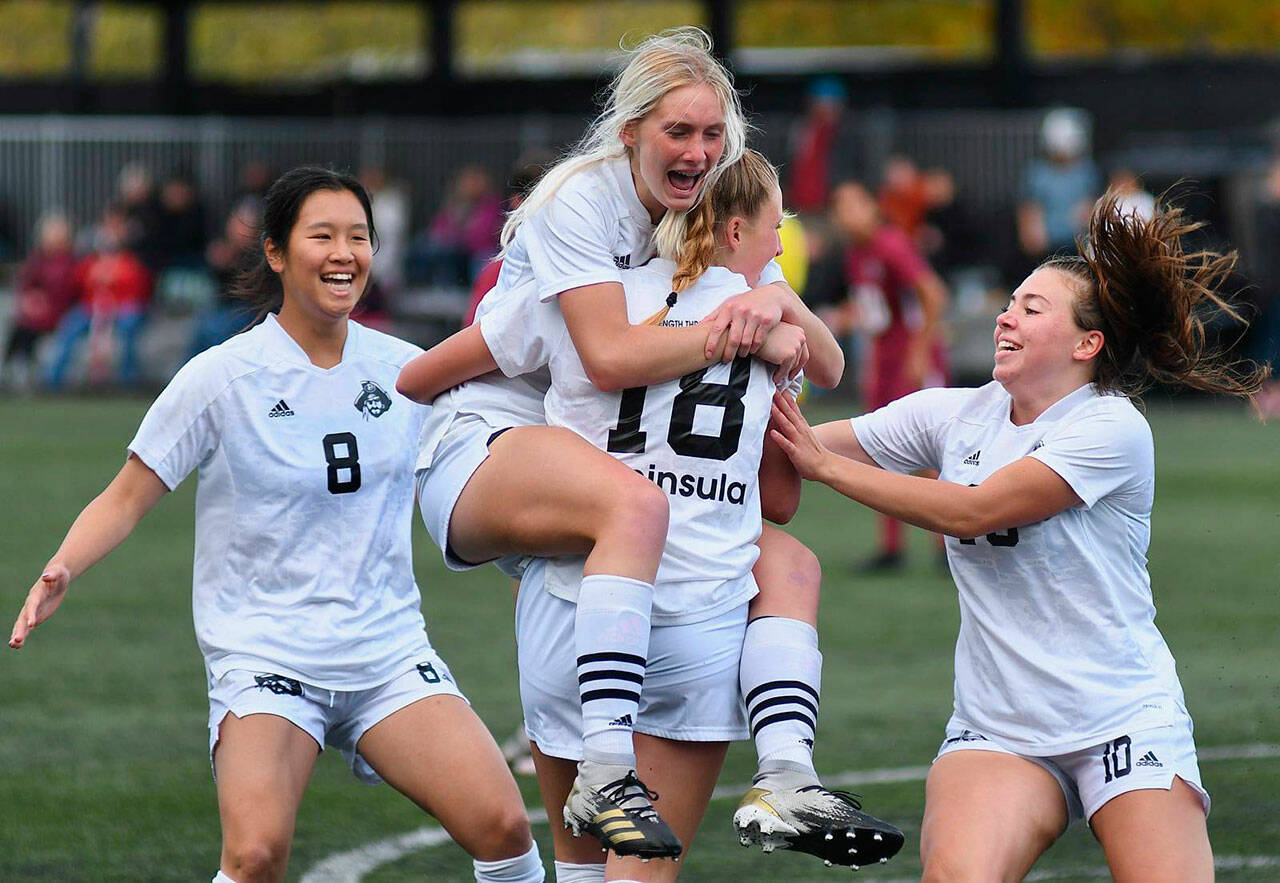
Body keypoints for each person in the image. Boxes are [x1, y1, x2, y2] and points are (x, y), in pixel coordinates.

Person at [397, 28, 900, 874]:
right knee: (682, 525)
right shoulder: (595, 221)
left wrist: (764, 314)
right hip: (505, 453)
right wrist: (749, 329)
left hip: (600, 554)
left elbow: (425, 370)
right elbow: (607, 360)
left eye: (712, 137)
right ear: (629, 131)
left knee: (753, 553)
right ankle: (717, 768)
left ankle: (765, 773)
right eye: (679, 132)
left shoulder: (714, 273)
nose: (699, 152)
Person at [9, 167, 544, 883]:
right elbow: (127, 495)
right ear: (275, 253)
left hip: (384, 651)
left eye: (358, 237)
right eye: (322, 235)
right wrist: (63, 565)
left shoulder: (411, 369)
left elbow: (481, 467)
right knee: (256, 854)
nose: (344, 253)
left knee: (505, 826)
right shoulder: (223, 376)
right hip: (265, 655)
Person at [767, 190, 1269, 882]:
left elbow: (975, 511)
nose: (1005, 315)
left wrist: (821, 467)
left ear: (1085, 343)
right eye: (1011, 302)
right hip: (999, 730)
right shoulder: (955, 414)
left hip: (1121, 721)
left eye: (1032, 308)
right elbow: (783, 450)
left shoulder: (1110, 427)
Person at [829, 180, 949, 570]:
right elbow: (873, 307)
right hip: (883, 359)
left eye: (852, 203)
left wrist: (918, 353)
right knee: (880, 449)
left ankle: (946, 545)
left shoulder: (890, 244)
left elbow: (932, 293)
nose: (845, 215)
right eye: (839, 206)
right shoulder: (856, 253)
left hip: (910, 358)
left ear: (870, 205)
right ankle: (892, 546)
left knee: (932, 448)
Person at [2, 212, 78, 391]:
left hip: (59, 311)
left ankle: (23, 372)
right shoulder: (39, 259)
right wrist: (32, 299)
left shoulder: (71, 261)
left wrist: (46, 301)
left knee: (27, 328)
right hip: (40, 312)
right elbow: (27, 284)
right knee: (20, 326)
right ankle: (14, 369)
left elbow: (68, 291)